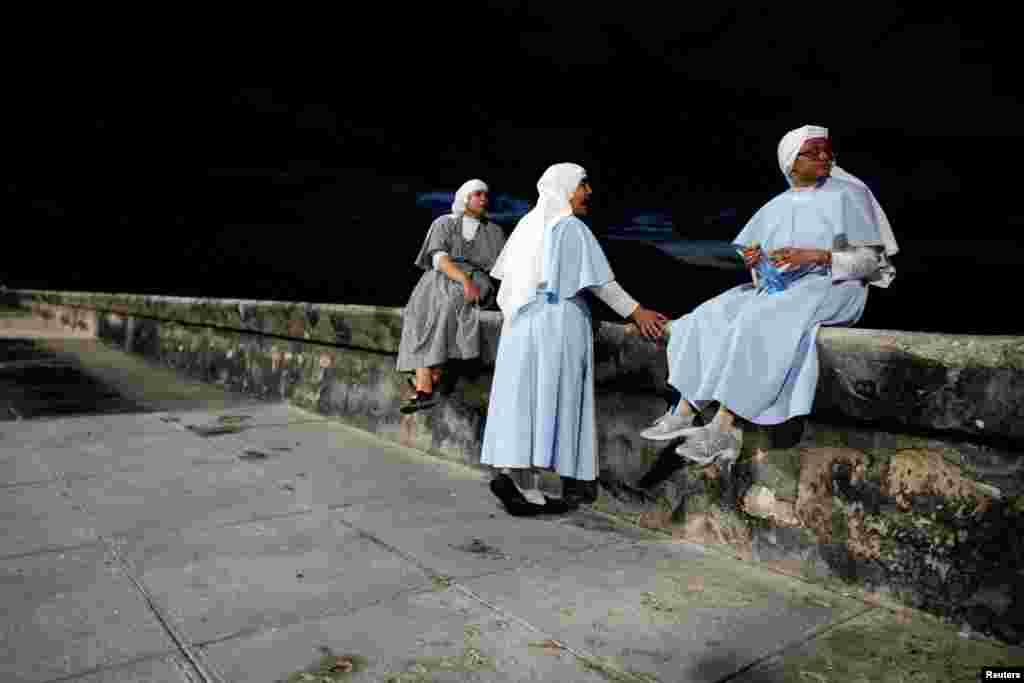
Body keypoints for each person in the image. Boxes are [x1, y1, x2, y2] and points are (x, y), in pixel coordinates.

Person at [640, 125, 899, 473]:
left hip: (837, 287)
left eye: (827, 151)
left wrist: (819, 257)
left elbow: (869, 262)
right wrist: (757, 264)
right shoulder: (777, 205)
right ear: (791, 163)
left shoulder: (847, 195)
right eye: (814, 152)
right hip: (788, 289)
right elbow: (767, 273)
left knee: (758, 318)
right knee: (711, 314)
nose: (825, 157)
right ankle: (685, 408)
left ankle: (724, 426)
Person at [482, 162, 667, 516]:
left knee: (525, 401)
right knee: (552, 398)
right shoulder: (569, 227)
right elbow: (600, 283)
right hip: (557, 322)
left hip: (522, 324)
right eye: (583, 184)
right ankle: (531, 486)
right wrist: (637, 312)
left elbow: (508, 283)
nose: (589, 192)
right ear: (565, 188)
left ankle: (523, 485)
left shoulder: (528, 224)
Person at [397, 179, 508, 414]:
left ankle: (428, 382)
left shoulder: (494, 231)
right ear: (465, 197)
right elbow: (438, 259)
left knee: (449, 306)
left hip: (476, 281)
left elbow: (506, 268)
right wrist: (463, 279)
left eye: (486, 196)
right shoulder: (444, 223)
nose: (483, 199)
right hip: (441, 276)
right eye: (477, 194)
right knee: (420, 310)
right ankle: (428, 382)